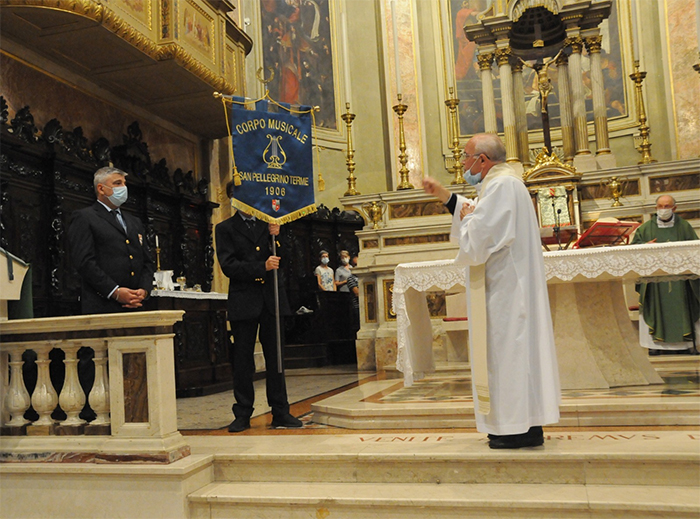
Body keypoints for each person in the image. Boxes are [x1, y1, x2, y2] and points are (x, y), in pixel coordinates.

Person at [422, 133, 560, 449]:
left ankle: (513, 429)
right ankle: (524, 426)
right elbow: (477, 213)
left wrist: (469, 221)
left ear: (482, 160)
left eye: (466, 156)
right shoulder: (504, 184)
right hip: (510, 288)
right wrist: (446, 196)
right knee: (514, 356)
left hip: (506, 291)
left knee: (507, 356)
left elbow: (479, 238)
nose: (463, 163)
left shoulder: (501, 186)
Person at [215, 206, 302, 432]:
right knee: (243, 359)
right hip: (244, 301)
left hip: (272, 298)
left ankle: (280, 411)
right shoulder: (225, 228)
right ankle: (243, 413)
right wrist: (260, 267)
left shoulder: (271, 224)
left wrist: (278, 235)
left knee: (276, 358)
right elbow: (228, 265)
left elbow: (289, 258)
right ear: (234, 201)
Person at [68, 166, 154, 314]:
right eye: (118, 183)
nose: (124, 187)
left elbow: (146, 261)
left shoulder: (134, 221)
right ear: (101, 189)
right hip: (102, 305)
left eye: (124, 183)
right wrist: (115, 292)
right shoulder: (85, 217)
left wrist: (143, 291)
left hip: (136, 306)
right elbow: (84, 262)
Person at [632, 195, 699, 355]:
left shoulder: (684, 227)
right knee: (655, 305)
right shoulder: (645, 229)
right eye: (660, 206)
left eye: (667, 206)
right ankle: (655, 346)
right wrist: (644, 247)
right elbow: (634, 249)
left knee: (682, 304)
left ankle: (686, 345)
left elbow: (695, 249)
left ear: (674, 208)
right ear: (656, 208)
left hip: (681, 281)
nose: (663, 210)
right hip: (655, 282)